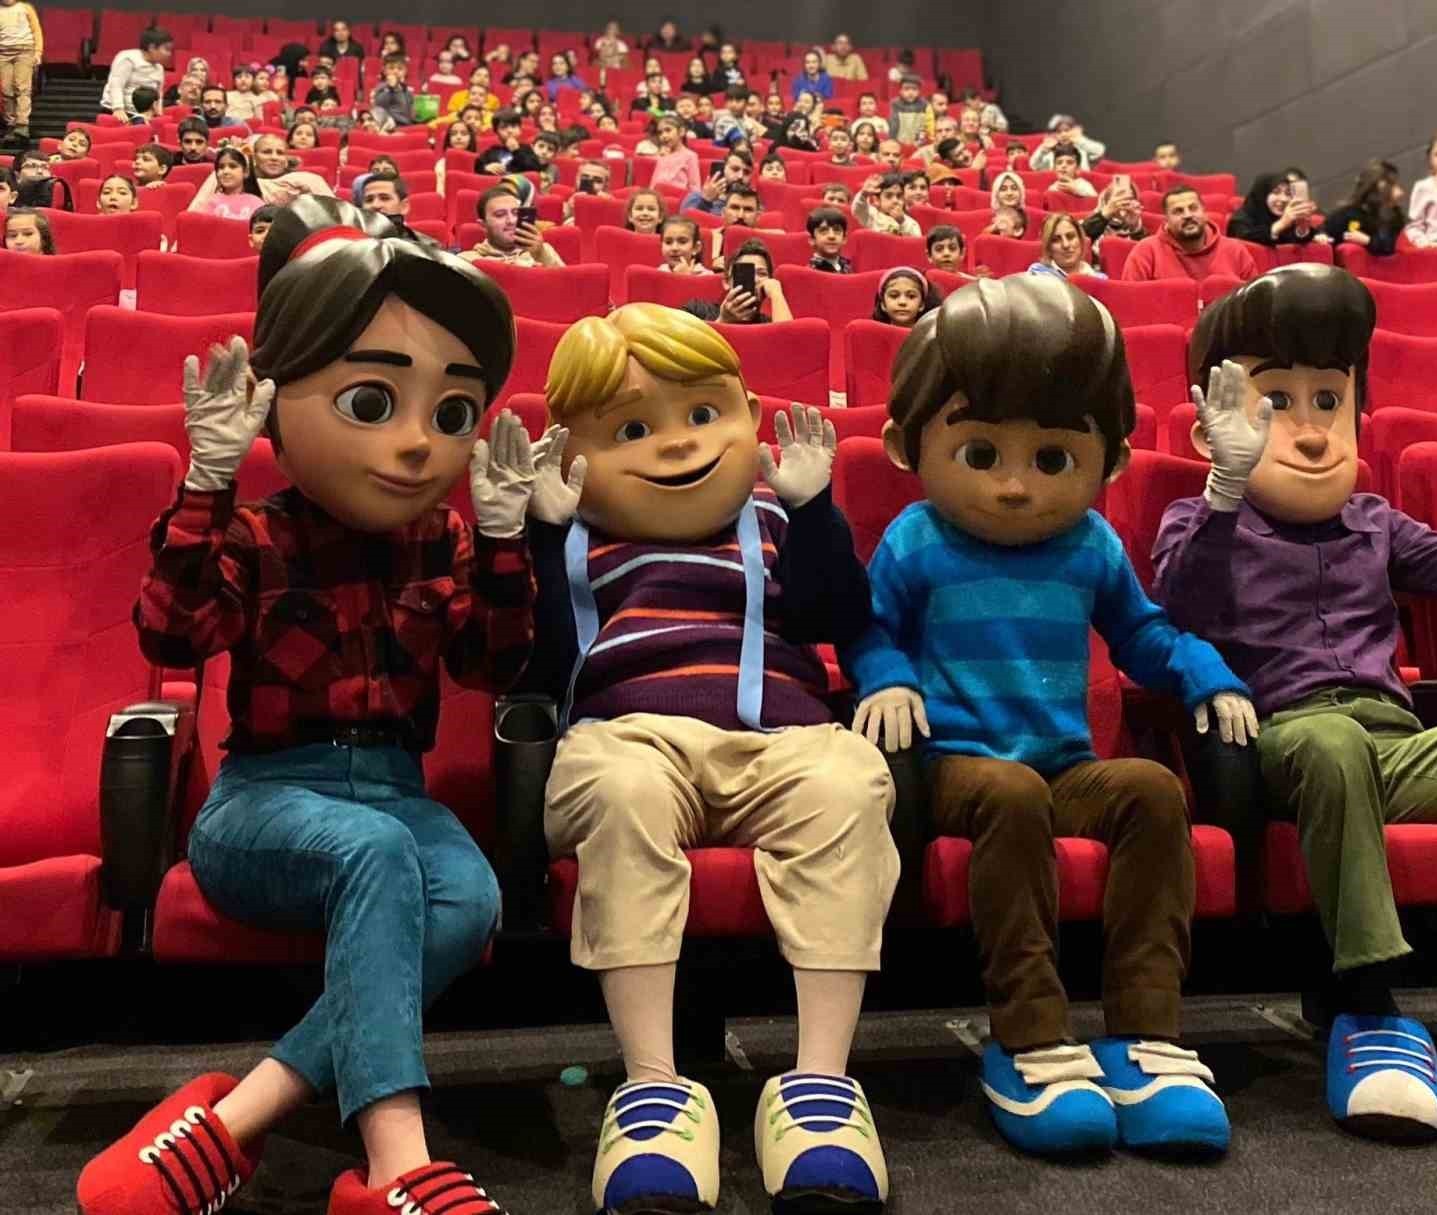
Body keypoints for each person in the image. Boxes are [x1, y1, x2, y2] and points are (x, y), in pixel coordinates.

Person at [74, 195, 533, 1215]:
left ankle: (234, 1119)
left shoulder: (448, 541)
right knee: (380, 854)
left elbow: (494, 667)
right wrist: (208, 481)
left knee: (469, 898)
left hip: (398, 793)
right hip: (265, 801)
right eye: (373, 402)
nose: (415, 444)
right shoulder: (253, 532)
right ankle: (396, 1165)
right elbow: (170, 636)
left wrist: (506, 541)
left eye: (450, 414)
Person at [1155, 263, 1437, 1139]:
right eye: (1277, 402)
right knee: (1331, 743)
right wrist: (1225, 490)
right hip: (1283, 741)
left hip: (1396, 741)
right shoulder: (1200, 518)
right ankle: (1366, 1002)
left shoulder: (1375, 522)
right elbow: (1177, 612)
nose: (1310, 429)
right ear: (1216, 422)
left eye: (1329, 400)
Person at [845, 272, 1245, 1158]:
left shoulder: (1091, 543)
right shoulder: (916, 537)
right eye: (983, 454)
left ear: (1112, 460)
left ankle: (1145, 1034)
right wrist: (886, 678)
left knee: (1151, 791)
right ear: (908, 445)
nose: (1016, 485)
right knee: (1012, 794)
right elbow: (869, 630)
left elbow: (1143, 633)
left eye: (1052, 459)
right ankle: (1030, 1036)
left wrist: (1207, 676)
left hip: (1065, 765)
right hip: (957, 766)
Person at [525, 303, 895, 1215]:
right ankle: (652, 1085)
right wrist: (536, 536)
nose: (677, 443)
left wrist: (811, 510)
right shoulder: (581, 533)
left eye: (702, 414)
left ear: (750, 412)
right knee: (620, 791)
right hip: (630, 735)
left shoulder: (771, 517)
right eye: (632, 430)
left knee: (849, 782)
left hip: (780, 739)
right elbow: (533, 660)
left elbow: (836, 614)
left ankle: (820, 1083)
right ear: (574, 449)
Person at [1124, 187, 1257, 282]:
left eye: (1193, 208)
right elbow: (1131, 302)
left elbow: (1253, 301)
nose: (1187, 215)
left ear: (1204, 212)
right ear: (1166, 219)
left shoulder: (1235, 250)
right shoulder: (1145, 252)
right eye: (1178, 211)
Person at [462, 182, 564, 267]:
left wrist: (541, 256)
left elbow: (564, 283)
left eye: (515, 213)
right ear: (483, 225)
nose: (511, 221)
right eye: (500, 215)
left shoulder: (543, 251)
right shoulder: (467, 261)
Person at [1322, 159, 1407, 256]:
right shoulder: (1348, 213)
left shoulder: (1394, 216)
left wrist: (1367, 240)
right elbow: (1323, 231)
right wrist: (1322, 237)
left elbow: (1389, 246)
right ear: (1380, 186)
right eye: (1393, 185)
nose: (1401, 193)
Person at [1228, 172, 1327, 248]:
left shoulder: (1284, 218)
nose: (1283, 199)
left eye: (1288, 194)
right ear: (1262, 195)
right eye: (1276, 192)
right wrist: (1282, 223)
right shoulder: (1239, 221)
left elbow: (1295, 239)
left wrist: (1302, 227)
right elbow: (1248, 241)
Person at [101, 26, 171, 122]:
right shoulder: (128, 58)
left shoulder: (159, 68)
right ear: (152, 48)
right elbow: (116, 84)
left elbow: (159, 93)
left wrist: (158, 113)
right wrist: (118, 108)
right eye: (166, 49)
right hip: (119, 112)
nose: (169, 54)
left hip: (144, 115)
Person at [714, 237, 793, 323]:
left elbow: (786, 331)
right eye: (745, 272)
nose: (755, 279)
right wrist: (723, 320)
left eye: (761, 273)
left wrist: (776, 294)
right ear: (726, 282)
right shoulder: (704, 310)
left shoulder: (770, 322)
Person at [0, 0, 43, 144]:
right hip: (3, 53)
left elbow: (36, 30)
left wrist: (37, 52)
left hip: (24, 51)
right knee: (6, 90)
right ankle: (11, 123)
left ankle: (22, 124)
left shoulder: (25, 8)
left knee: (22, 88)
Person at [186, 147, 266, 220]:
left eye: (232, 166)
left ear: (246, 172)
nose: (226, 171)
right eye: (221, 167)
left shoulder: (256, 203)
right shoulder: (212, 202)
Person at [358, 174, 436, 246]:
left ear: (404, 206)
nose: (375, 205)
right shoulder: (353, 243)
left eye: (385, 198)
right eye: (369, 200)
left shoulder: (427, 246)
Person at [1028, 211, 1101, 281]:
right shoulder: (1038, 273)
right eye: (1056, 240)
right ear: (1048, 247)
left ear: (1081, 240)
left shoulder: (1099, 279)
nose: (1066, 245)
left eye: (1070, 237)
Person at [681, 145, 752, 216]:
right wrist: (705, 201)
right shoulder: (695, 198)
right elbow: (685, 222)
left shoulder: (751, 207)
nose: (740, 176)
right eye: (735, 169)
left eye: (746, 172)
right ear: (723, 169)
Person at [854, 172, 921, 237]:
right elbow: (858, 209)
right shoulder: (872, 216)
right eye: (888, 196)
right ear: (876, 200)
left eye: (899, 196)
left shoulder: (910, 223)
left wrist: (902, 221)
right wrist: (864, 194)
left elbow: (916, 241)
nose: (895, 200)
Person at [870, 266, 940, 327]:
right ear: (883, 304)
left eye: (911, 296)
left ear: (921, 304)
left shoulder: (933, 336)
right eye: (894, 296)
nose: (902, 302)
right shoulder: (872, 334)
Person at [475, 111, 540, 176]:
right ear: (497, 132)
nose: (509, 131)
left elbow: (534, 169)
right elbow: (477, 168)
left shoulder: (527, 149)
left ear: (520, 130)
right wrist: (486, 168)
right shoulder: (491, 152)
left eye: (513, 126)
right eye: (504, 127)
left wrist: (516, 151)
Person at [647, 113, 699, 193]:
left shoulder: (690, 156)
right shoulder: (661, 156)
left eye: (668, 130)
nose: (664, 136)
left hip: (678, 197)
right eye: (660, 133)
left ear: (681, 131)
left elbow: (694, 187)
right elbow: (653, 184)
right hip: (658, 197)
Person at [371, 56, 416, 129]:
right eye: (391, 68)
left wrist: (413, 112)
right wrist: (391, 88)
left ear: (405, 71)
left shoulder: (407, 89)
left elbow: (410, 107)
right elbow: (379, 105)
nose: (395, 71)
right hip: (390, 124)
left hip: (406, 124)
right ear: (384, 71)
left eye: (400, 68)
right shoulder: (382, 87)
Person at [433, 119, 475, 193]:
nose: (458, 137)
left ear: (471, 138)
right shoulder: (442, 164)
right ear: (448, 139)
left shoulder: (478, 161)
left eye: (464, 133)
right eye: (453, 134)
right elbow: (440, 193)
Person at [807, 205, 852, 272]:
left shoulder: (847, 266)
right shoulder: (810, 272)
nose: (831, 236)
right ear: (812, 240)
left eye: (837, 230)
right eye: (823, 231)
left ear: (844, 239)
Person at [889, 74, 929, 146]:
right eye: (906, 89)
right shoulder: (895, 104)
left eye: (914, 89)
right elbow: (893, 126)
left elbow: (924, 126)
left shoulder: (924, 104)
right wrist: (893, 141)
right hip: (898, 143)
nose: (910, 93)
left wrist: (920, 141)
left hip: (919, 143)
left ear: (919, 91)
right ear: (900, 91)